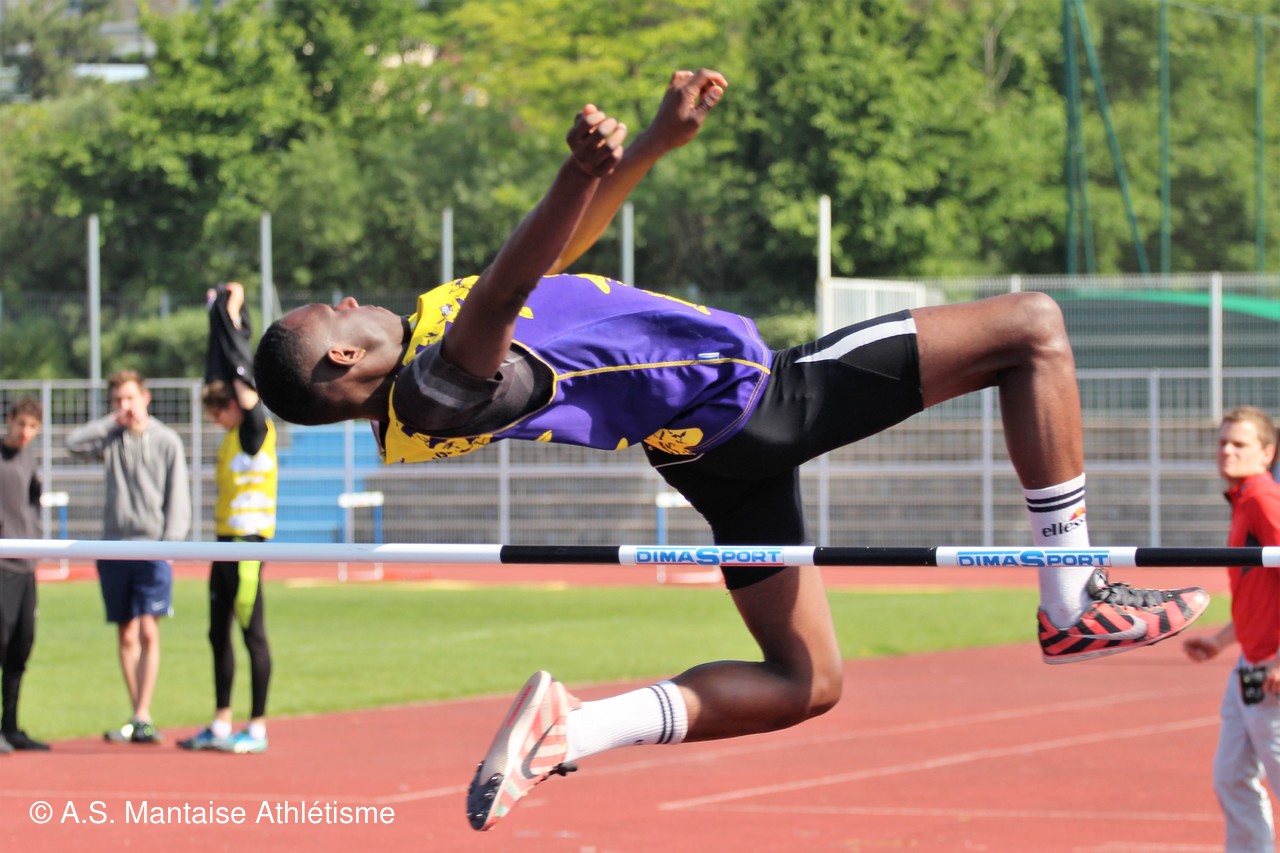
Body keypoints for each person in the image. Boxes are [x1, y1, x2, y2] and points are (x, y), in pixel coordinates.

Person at [251, 68, 1211, 831]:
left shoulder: (429, 341)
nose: (349, 296)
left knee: (806, 681)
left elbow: (551, 259)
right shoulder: (434, 387)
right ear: (342, 356)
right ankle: (1072, 595)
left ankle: (574, 726)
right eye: (332, 309)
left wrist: (651, 145)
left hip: (704, 447)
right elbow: (508, 285)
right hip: (755, 399)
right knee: (1033, 327)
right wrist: (574, 171)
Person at [66, 370, 191, 745]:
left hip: (153, 547)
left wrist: (171, 544)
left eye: (130, 398)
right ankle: (137, 714)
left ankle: (143, 713)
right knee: (126, 632)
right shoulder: (111, 437)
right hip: (114, 546)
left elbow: (178, 496)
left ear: (145, 398)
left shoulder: (167, 441)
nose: (126, 406)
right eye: (118, 400)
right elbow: (72, 443)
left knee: (149, 629)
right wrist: (111, 422)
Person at [177, 282, 275, 755]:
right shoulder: (232, 437)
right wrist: (216, 320)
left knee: (251, 632)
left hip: (249, 545)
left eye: (219, 413)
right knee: (217, 632)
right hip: (223, 542)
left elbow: (240, 372)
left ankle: (256, 727)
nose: (216, 420)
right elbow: (224, 371)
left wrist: (229, 315)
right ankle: (220, 723)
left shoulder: (255, 429)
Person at [1184, 406, 1280, 852]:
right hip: (1248, 665)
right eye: (1223, 442)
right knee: (1231, 778)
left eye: (1239, 444)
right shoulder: (1244, 501)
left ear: (1267, 453)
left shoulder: (1263, 500)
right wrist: (1221, 640)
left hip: (1271, 673)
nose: (1227, 451)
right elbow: (1258, 595)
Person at [0, 398, 50, 752]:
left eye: (33, 427)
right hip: (2, 565)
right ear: (9, 420)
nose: (25, 432)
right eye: (21, 424)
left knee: (21, 645)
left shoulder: (29, 459)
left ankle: (11, 727)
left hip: (27, 565)